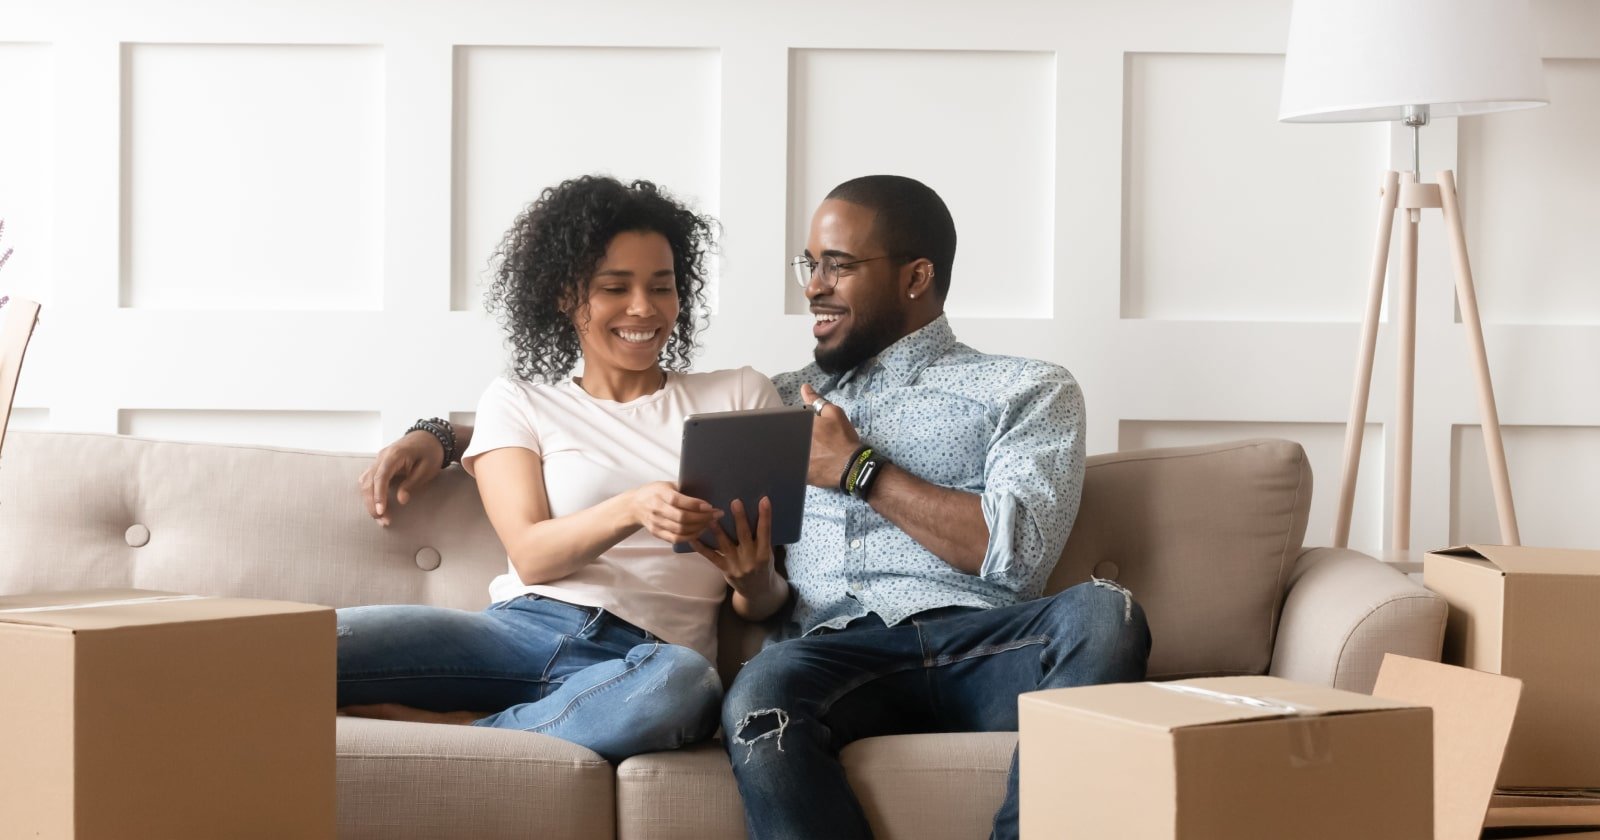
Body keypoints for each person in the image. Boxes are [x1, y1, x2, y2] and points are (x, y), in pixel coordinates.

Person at [367, 175, 1151, 838]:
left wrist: (860, 469)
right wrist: (440, 432)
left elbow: (1019, 552)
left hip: (985, 640)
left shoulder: (1027, 388)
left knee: (1105, 613)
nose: (812, 285)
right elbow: (599, 420)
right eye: (809, 264)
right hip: (832, 655)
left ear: (915, 278)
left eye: (838, 266)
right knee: (758, 697)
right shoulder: (774, 400)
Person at [339, 175, 789, 764]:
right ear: (564, 294)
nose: (643, 308)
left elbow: (766, 594)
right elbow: (532, 552)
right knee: (299, 644)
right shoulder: (520, 400)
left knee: (688, 686)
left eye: (662, 286)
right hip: (518, 632)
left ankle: (465, 734)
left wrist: (754, 584)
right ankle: (532, 728)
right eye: (614, 288)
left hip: (648, 659)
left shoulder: (740, 396)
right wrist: (632, 507)